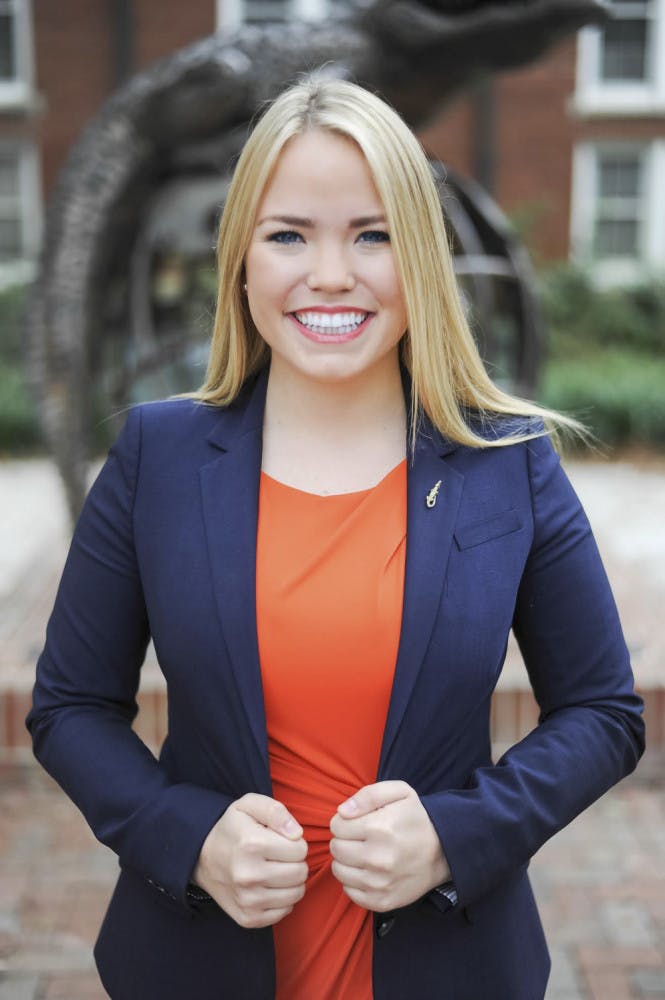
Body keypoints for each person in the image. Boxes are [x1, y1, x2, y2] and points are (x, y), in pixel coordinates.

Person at [27, 77, 644, 1000]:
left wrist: (456, 835)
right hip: (198, 965)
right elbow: (70, 707)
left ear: (421, 260)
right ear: (240, 260)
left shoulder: (507, 462)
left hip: (449, 968)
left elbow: (602, 714)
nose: (328, 275)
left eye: (373, 234)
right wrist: (184, 836)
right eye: (288, 235)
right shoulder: (156, 455)